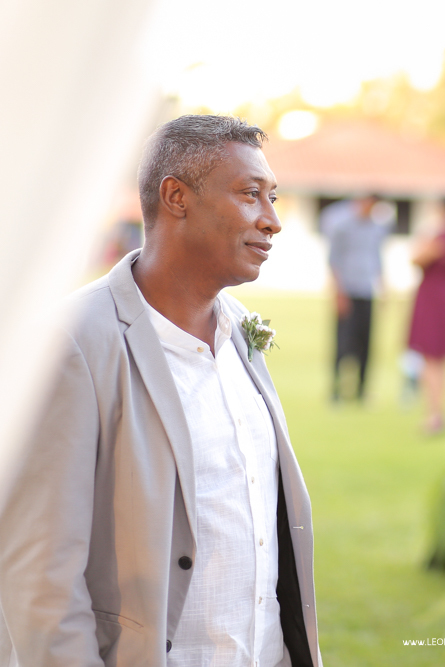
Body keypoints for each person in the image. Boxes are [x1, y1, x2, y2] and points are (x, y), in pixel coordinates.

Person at [0, 116, 320, 666]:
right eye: (250, 195)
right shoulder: (71, 344)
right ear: (176, 197)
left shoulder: (240, 327)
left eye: (273, 198)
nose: (272, 221)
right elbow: (41, 576)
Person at [406, 198, 445, 434]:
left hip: (434, 302)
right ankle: (439, 412)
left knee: (430, 360)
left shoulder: (440, 238)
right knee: (439, 363)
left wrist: (424, 236)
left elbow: (416, 258)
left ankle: (435, 415)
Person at [321, 194, 390, 402]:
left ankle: (361, 391)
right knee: (343, 343)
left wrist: (382, 286)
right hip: (347, 291)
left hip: (366, 291)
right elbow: (334, 260)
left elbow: (377, 259)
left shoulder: (377, 229)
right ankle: (336, 390)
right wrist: (338, 292)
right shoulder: (343, 227)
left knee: (366, 343)